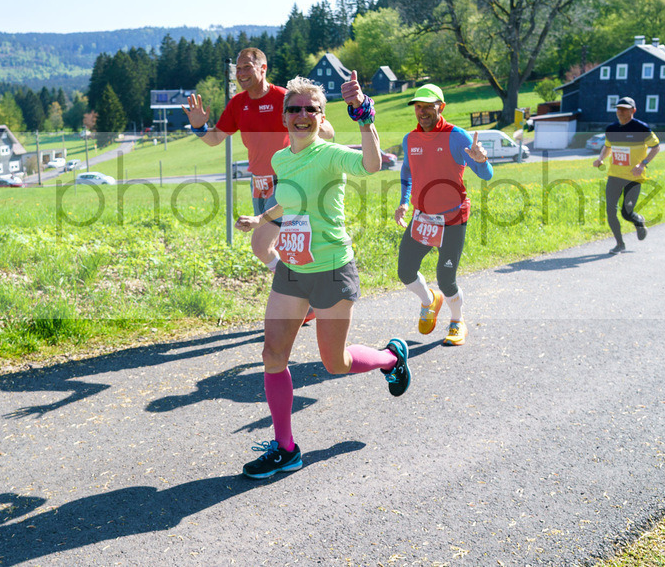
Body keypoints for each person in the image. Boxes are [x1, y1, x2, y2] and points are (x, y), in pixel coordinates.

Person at [233, 73, 410, 480]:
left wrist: (364, 116)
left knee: (336, 363)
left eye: (309, 109)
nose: (300, 116)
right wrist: (261, 217)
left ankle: (389, 358)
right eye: (293, 109)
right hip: (293, 269)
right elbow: (288, 202)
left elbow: (371, 163)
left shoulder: (330, 154)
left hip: (331, 270)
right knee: (272, 355)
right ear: (284, 116)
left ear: (320, 115)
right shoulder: (282, 159)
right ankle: (286, 449)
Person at [183, 49, 335, 271]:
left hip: (286, 179)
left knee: (261, 246)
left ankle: (293, 290)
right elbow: (215, 138)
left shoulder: (284, 98)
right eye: (239, 68)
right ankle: (302, 297)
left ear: (263, 69)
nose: (241, 73)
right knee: (284, 247)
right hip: (258, 183)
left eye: (247, 67)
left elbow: (328, 132)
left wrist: (311, 121)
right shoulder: (237, 103)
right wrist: (199, 127)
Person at [395, 84, 493, 347]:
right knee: (405, 271)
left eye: (428, 106)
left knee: (446, 278)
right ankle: (429, 301)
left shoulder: (457, 136)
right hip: (422, 218)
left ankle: (457, 320)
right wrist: (404, 203)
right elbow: (407, 173)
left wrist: (481, 161)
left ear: (441, 107)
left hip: (452, 218)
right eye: (418, 106)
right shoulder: (410, 139)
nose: (422, 111)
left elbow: (486, 176)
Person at [592, 96, 659, 254]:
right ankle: (619, 244)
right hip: (614, 175)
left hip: (634, 177)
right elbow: (607, 147)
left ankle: (638, 221)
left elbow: (656, 147)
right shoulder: (611, 129)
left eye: (624, 109)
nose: (620, 112)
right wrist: (601, 158)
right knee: (610, 211)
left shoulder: (642, 128)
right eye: (618, 109)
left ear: (633, 110)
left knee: (626, 212)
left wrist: (642, 164)